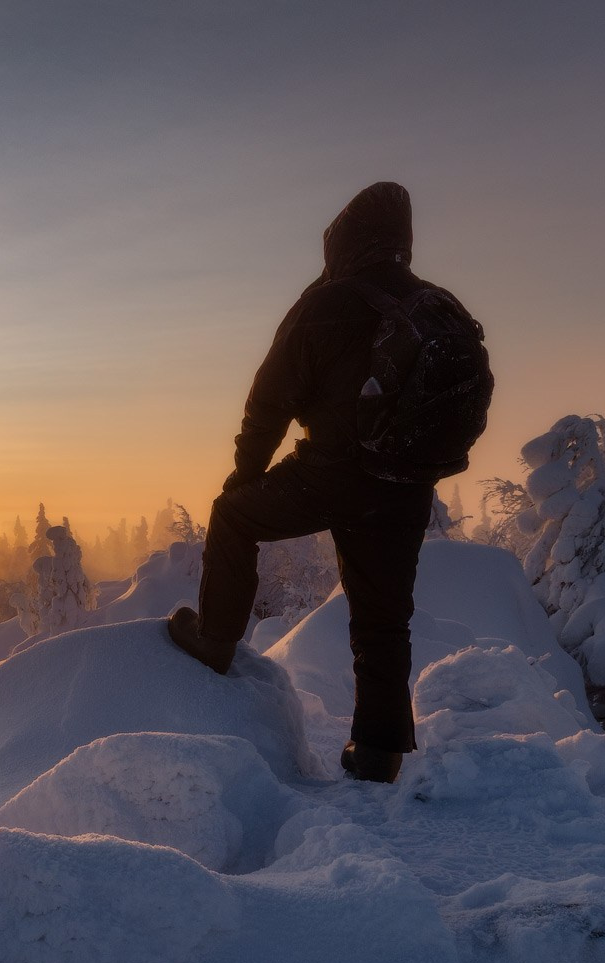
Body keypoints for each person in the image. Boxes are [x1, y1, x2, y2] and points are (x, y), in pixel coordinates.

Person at [167, 181, 489, 783]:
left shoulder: (327, 302)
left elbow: (268, 404)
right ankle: (378, 752)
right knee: (383, 619)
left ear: (343, 240)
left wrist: (244, 480)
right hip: (405, 485)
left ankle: (214, 641)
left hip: (333, 473)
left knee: (233, 517)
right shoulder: (433, 304)